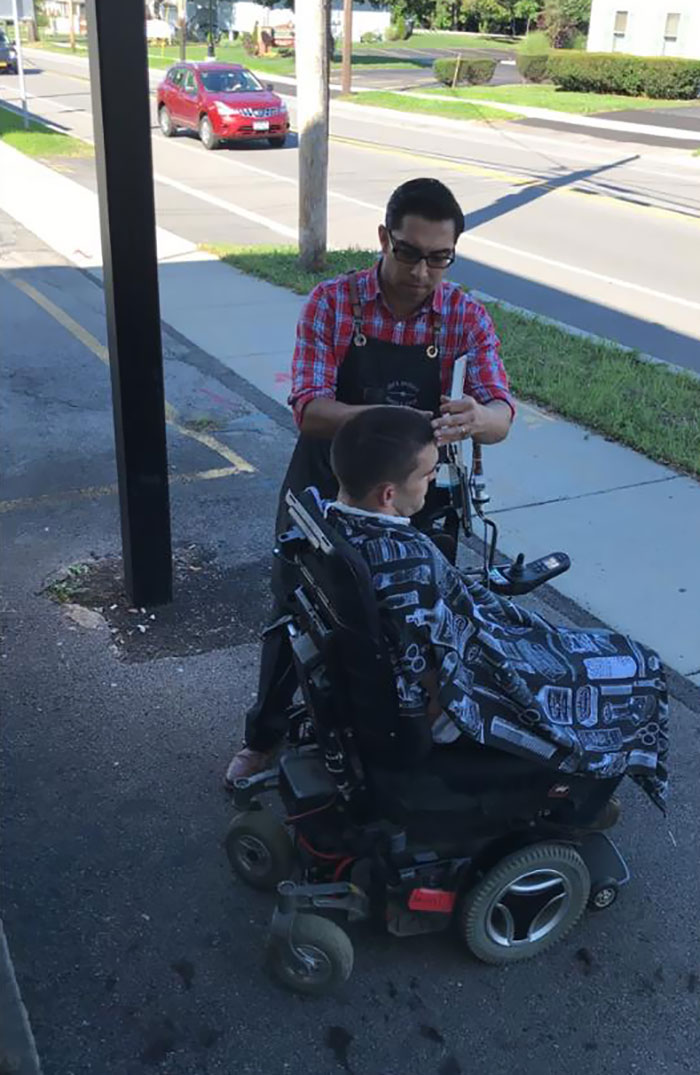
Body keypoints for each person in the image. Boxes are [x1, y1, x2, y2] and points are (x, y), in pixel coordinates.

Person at [225, 176, 514, 787]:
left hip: (414, 494)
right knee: (300, 608)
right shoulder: (334, 303)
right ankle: (264, 736)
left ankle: (397, 740)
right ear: (384, 239)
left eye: (439, 258)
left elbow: (500, 414)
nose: (422, 273)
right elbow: (309, 408)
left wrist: (479, 418)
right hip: (325, 487)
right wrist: (394, 422)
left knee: (416, 619)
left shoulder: (464, 315)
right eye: (408, 253)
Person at [323, 407, 669, 809]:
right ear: (388, 494)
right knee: (636, 664)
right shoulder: (405, 565)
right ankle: (591, 783)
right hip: (456, 697)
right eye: (427, 474)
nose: (433, 479)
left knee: (590, 653)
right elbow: (433, 679)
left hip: (448, 657)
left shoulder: (334, 524)